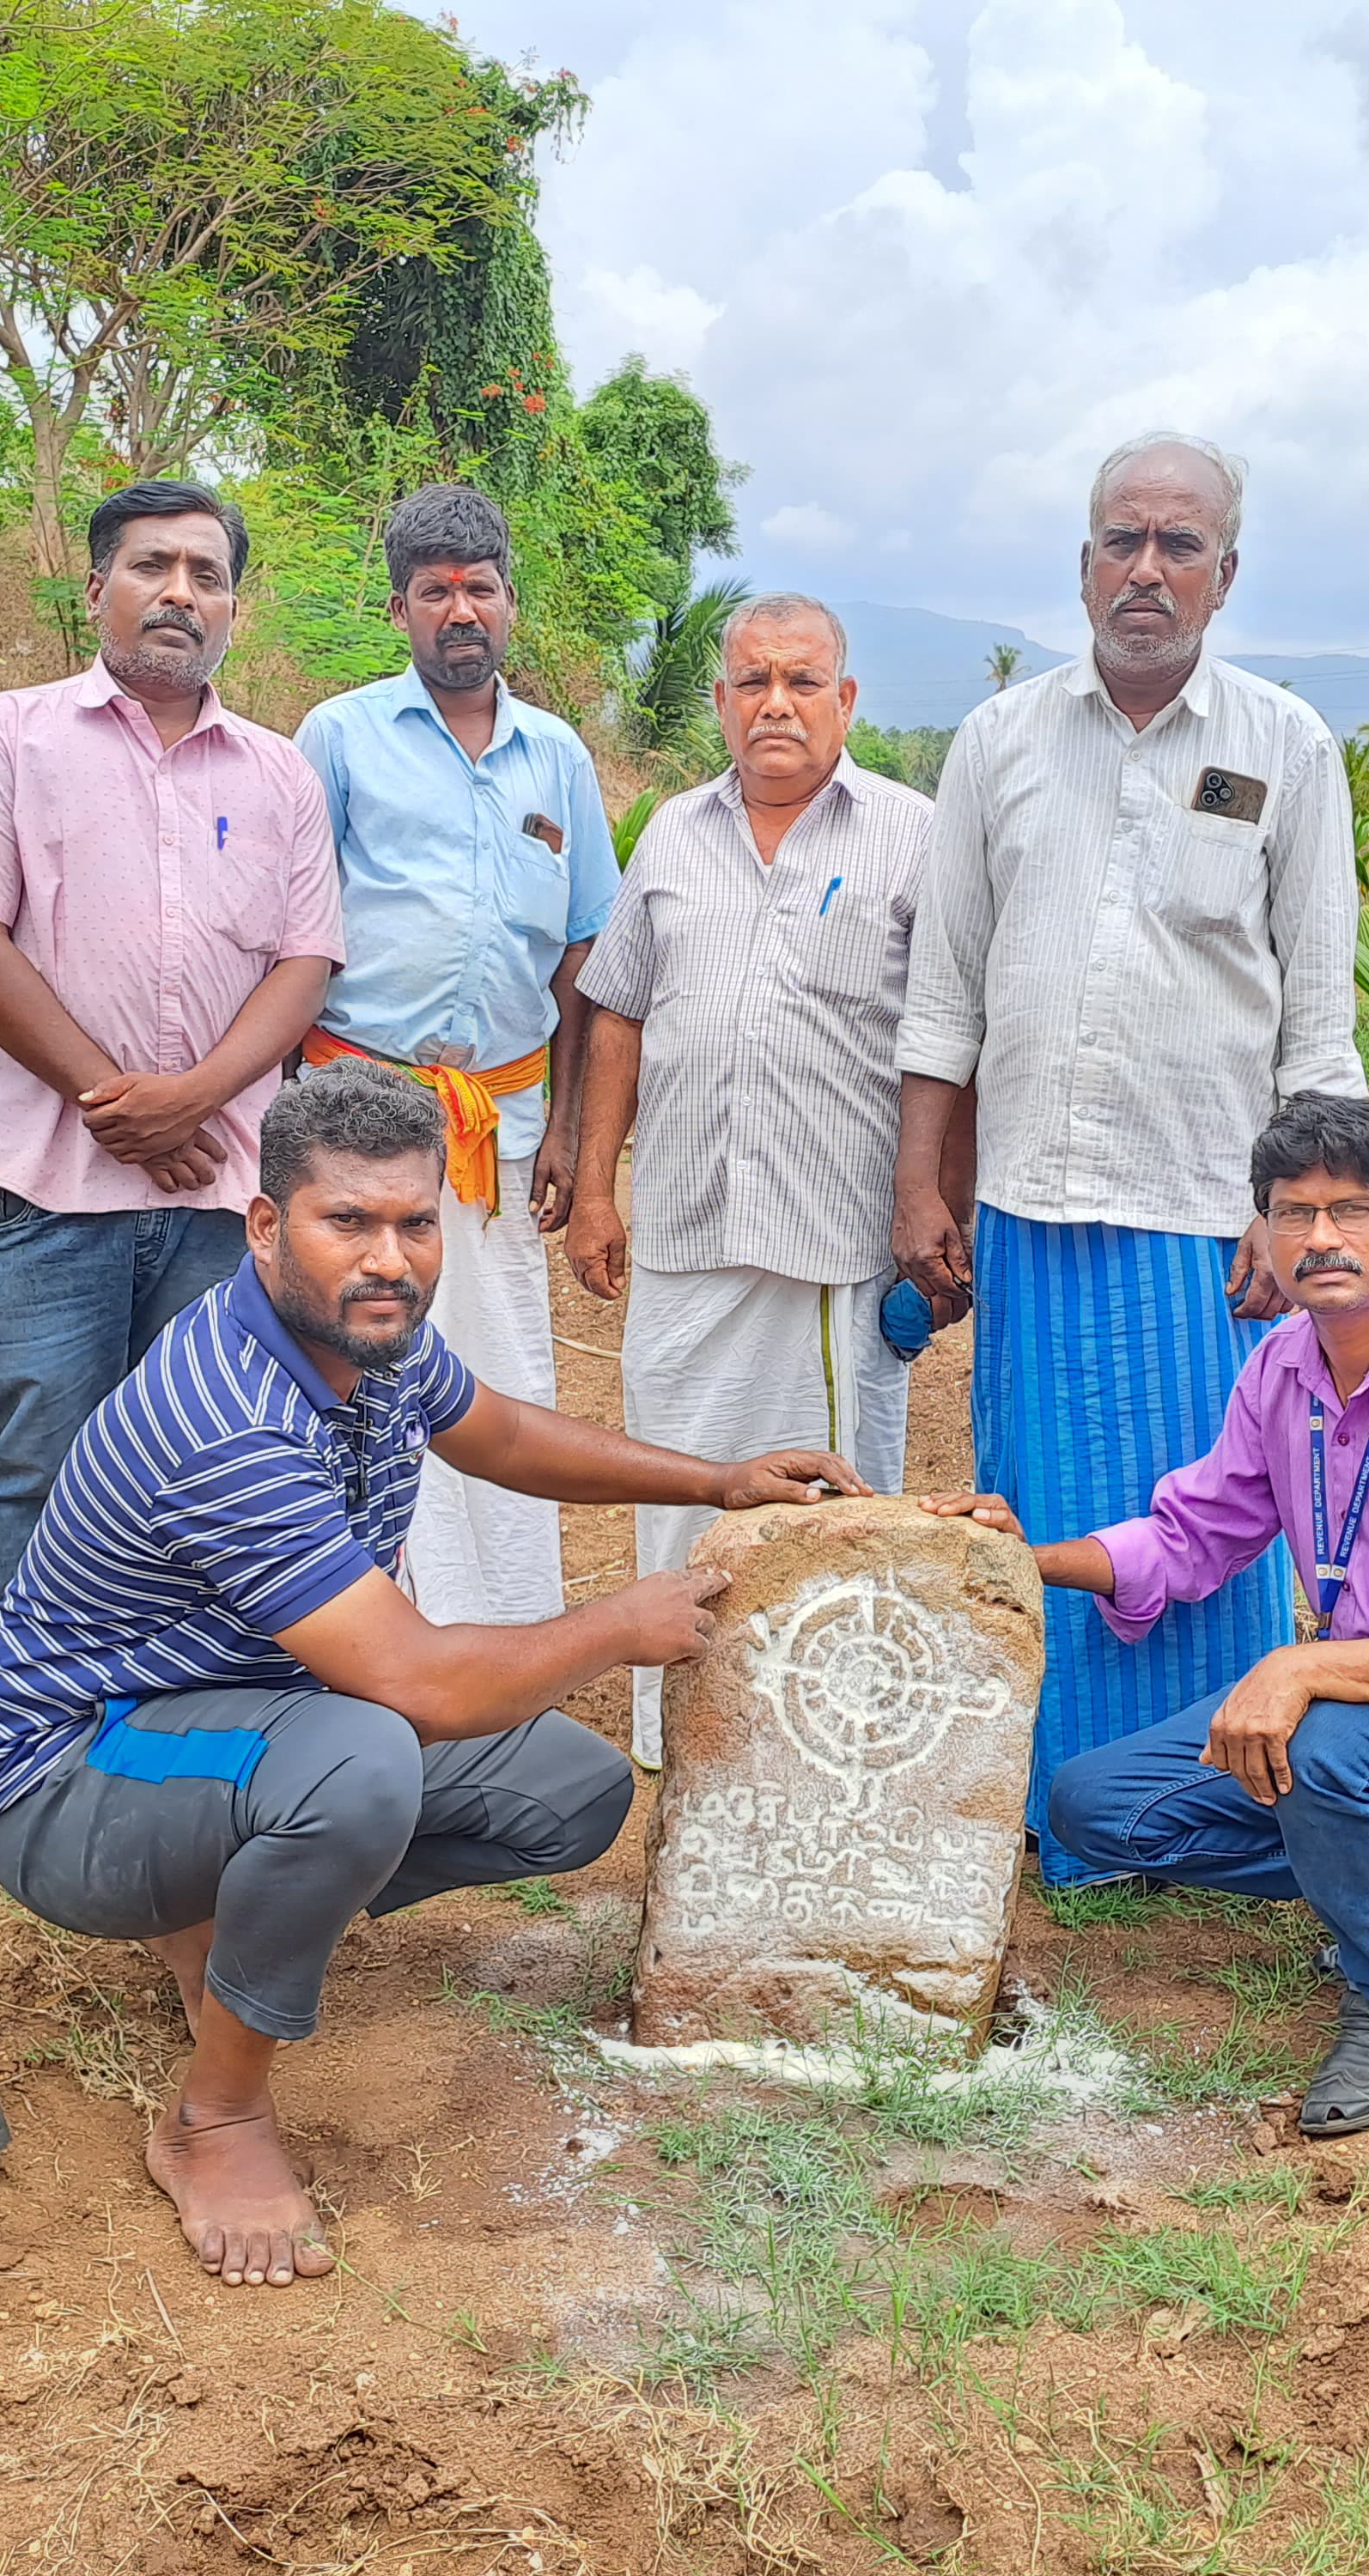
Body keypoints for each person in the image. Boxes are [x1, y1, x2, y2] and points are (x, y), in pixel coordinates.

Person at [0, 1061, 864, 2287]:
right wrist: (612, 1624)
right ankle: (213, 2121)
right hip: (65, 1772)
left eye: (414, 1222)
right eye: (349, 1222)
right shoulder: (229, 1418)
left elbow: (510, 1436)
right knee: (366, 1759)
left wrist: (717, 1479)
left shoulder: (367, 1343)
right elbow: (418, 1686)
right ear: (267, 1227)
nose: (390, 1258)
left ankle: (215, 1920)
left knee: (571, 1791)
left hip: (227, 1723)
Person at [926, 1093, 1369, 2136]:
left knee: (1319, 1742)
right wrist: (1017, 1559)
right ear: (1260, 1229)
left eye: (1352, 1209)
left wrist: (1302, 1669)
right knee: (1100, 1807)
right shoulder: (1281, 1368)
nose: (1319, 1238)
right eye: (1290, 1211)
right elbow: (1192, 1535)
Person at [891, 432, 1361, 1875]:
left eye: (1177, 546)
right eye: (1120, 542)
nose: (1144, 571)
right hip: (1031, 1212)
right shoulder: (1002, 743)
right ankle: (1060, 1822)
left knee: (1214, 1531)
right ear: (1083, 561)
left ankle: (1213, 1818)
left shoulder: (1287, 749)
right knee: (1041, 1515)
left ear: (1227, 574)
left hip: (1208, 1232)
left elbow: (1316, 1017)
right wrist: (924, 1183)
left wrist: (1302, 1222)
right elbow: (946, 988)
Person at [0, 479, 344, 1632]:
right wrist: (113, 1101)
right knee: (41, 1454)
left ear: (233, 612)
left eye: (207, 576)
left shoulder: (280, 774)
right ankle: (24, 1736)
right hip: (49, 1183)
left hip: (219, 1185)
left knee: (204, 1461)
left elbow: (305, 963)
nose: (180, 594)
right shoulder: (8, 736)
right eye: (154, 567)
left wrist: (192, 1100)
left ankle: (168, 1704)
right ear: (99, 588)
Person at [564, 594, 973, 1766]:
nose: (777, 704)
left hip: (839, 1241)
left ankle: (830, 1728)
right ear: (721, 704)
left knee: (833, 1504)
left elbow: (953, 1035)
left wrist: (940, 1202)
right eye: (754, 683)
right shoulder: (675, 835)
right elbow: (620, 1014)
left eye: (803, 682)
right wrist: (598, 1189)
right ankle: (678, 1730)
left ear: (846, 701)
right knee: (679, 1487)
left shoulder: (913, 835)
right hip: (691, 1228)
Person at [295, 486, 614, 1636]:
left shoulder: (558, 757)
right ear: (400, 609)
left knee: (504, 1373)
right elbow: (295, 928)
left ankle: (506, 1626)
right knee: (354, 1356)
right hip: (354, 1107)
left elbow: (586, 955)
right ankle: (368, 1628)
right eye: (435, 591)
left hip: (503, 1126)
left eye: (480, 588)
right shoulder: (339, 737)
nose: (460, 609)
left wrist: (574, 1138)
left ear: (511, 605)